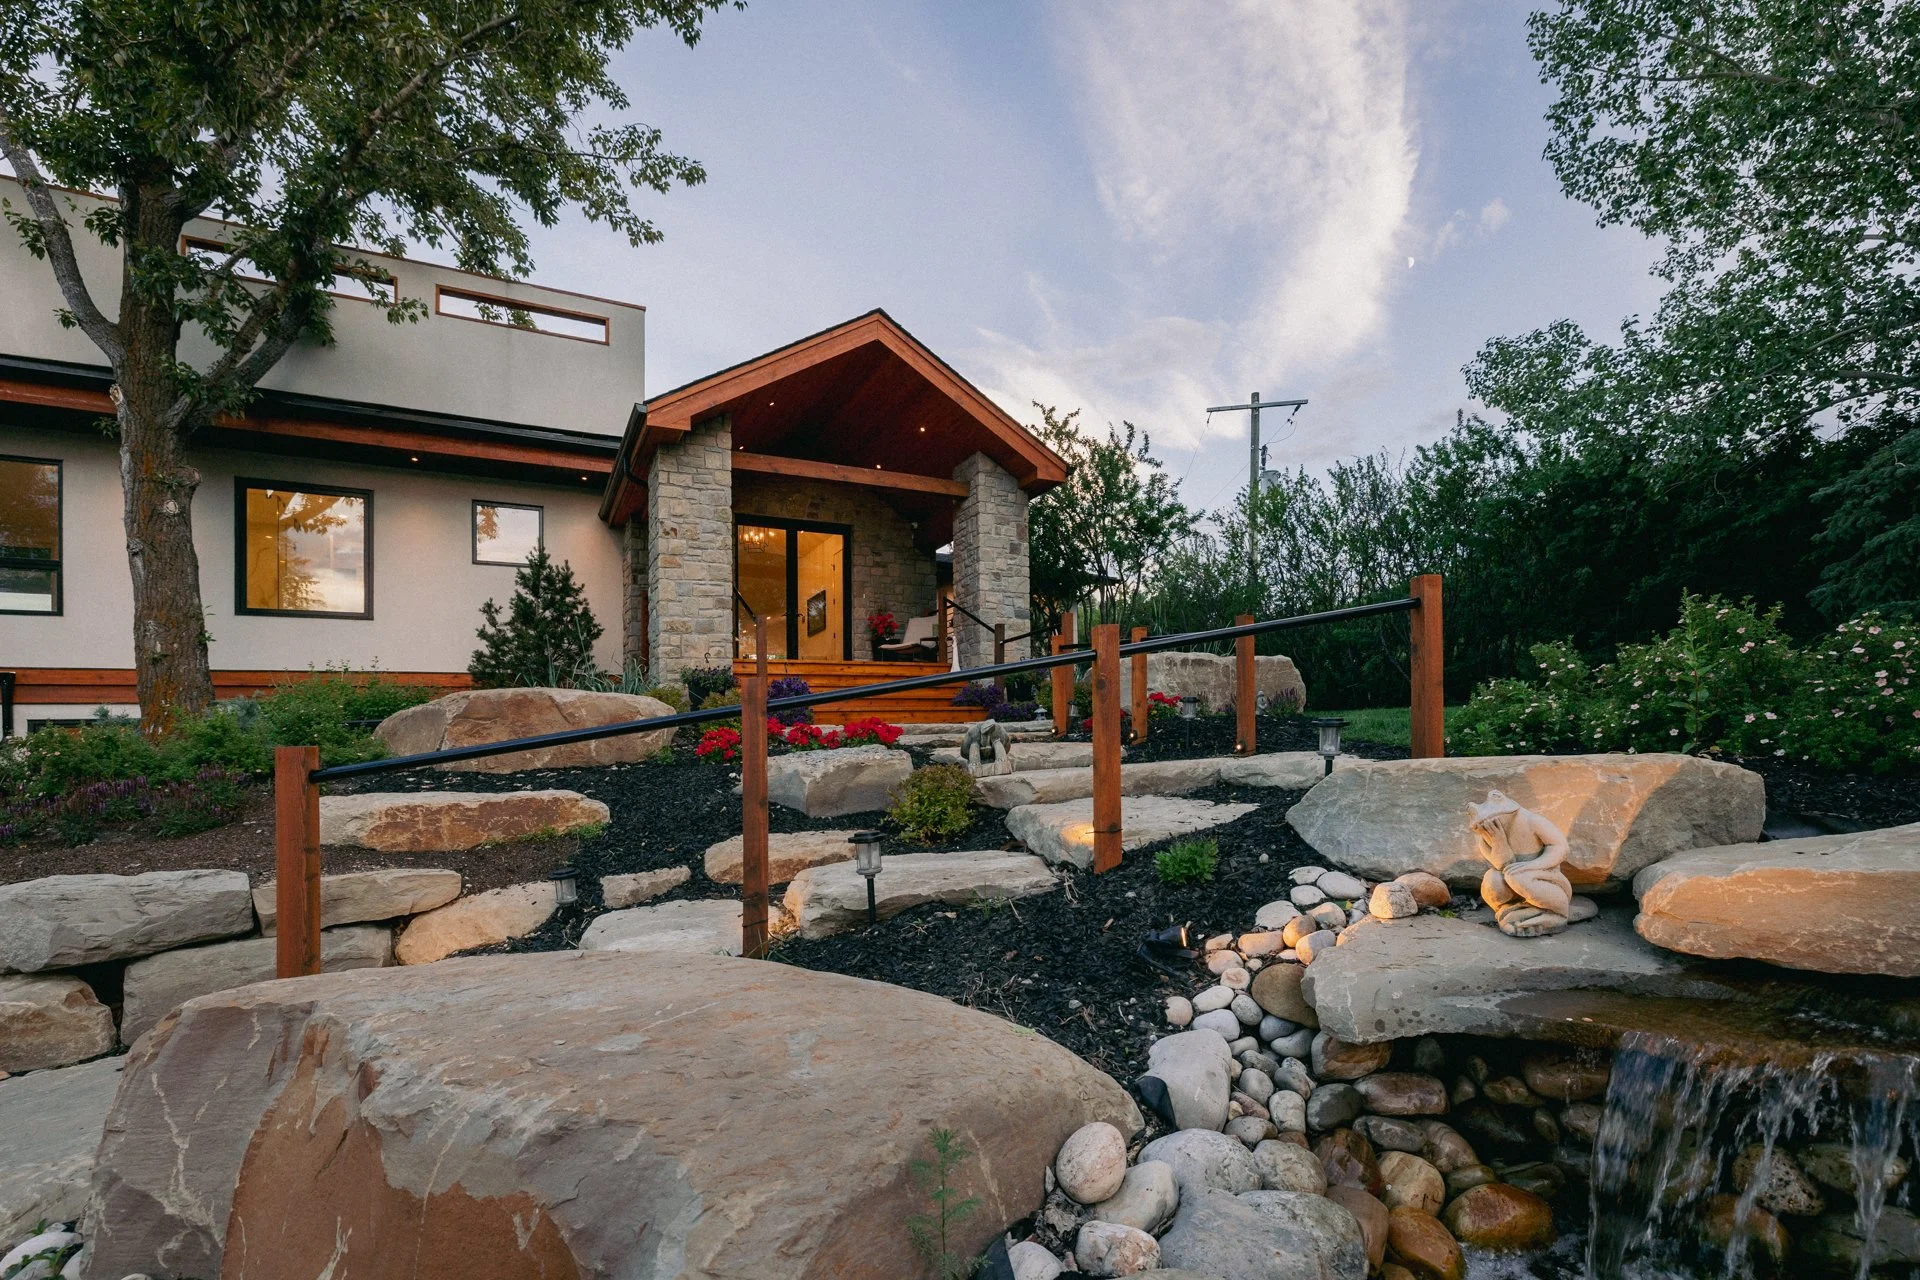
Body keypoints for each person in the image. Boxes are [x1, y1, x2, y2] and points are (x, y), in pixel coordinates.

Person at [1468, 790, 1574, 937]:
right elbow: (1503, 865)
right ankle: (1512, 910)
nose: (1491, 824)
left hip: (1547, 881)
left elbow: (1560, 847)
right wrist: (1499, 842)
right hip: (1515, 885)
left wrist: (1531, 866)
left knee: (1516, 876)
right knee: (1492, 878)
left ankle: (1557, 915)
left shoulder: (1531, 820)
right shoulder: (1485, 836)